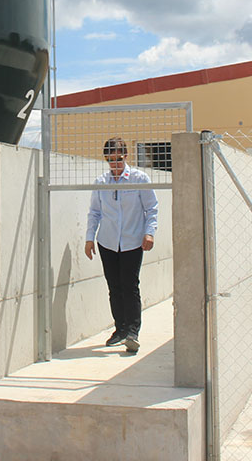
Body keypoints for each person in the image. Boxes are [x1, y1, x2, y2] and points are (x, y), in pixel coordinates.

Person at [84, 137, 159, 353]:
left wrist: (149, 233)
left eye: (117, 159)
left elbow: (151, 208)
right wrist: (90, 238)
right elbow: (95, 212)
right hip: (107, 242)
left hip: (132, 241)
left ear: (125, 156)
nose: (114, 164)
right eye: (110, 160)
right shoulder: (101, 182)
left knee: (130, 285)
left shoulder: (139, 178)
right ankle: (120, 329)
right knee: (114, 287)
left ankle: (133, 332)